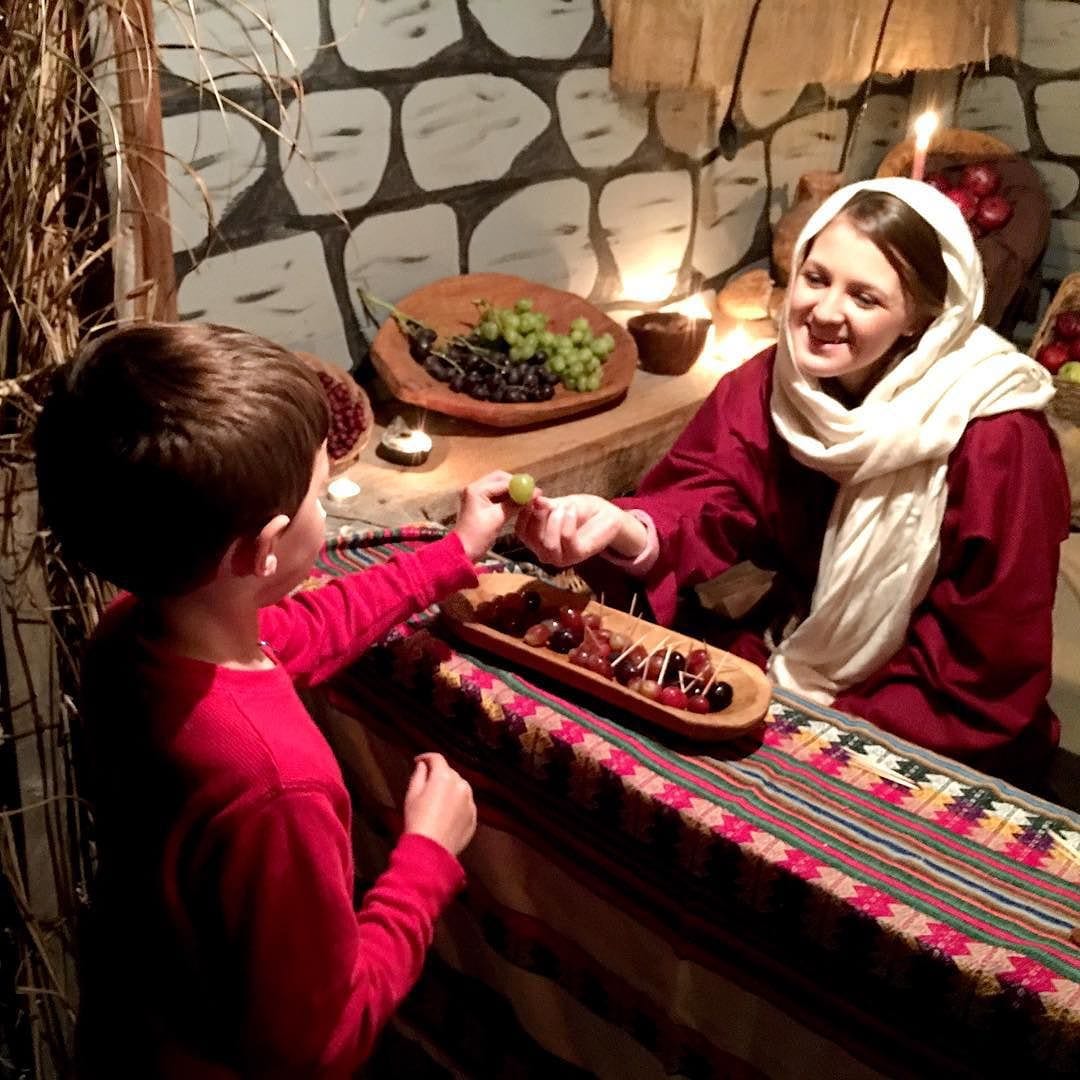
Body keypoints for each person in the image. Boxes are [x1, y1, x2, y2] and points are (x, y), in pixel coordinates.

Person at [33, 322, 521, 1077]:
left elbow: (298, 630)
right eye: (321, 496)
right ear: (264, 548)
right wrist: (426, 853)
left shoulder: (134, 631)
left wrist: (449, 558)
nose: (326, 513)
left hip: (132, 1027)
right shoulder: (274, 787)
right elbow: (317, 1046)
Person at [516, 177, 1070, 786]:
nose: (825, 313)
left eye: (864, 297)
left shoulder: (999, 440)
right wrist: (627, 528)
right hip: (802, 656)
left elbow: (987, 662)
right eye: (816, 278)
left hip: (929, 715)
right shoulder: (776, 384)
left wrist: (817, 729)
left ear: (921, 316)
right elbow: (710, 493)